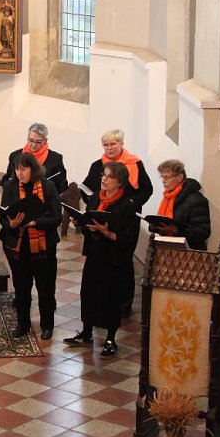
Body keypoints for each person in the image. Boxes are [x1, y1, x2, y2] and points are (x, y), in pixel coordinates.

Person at [63, 162, 138, 358]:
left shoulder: (126, 206)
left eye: (109, 176)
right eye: (103, 175)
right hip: (95, 254)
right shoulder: (96, 198)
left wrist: (108, 232)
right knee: (88, 293)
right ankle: (86, 332)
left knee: (110, 299)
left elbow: (129, 239)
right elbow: (90, 223)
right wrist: (81, 222)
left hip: (114, 260)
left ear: (120, 182)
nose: (103, 179)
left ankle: (111, 339)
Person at [82, 129, 152, 317]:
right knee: (100, 261)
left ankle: (124, 303)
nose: (110, 148)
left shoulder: (134, 163)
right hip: (102, 216)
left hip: (126, 218)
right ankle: (101, 300)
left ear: (121, 144)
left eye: (113, 144)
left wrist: (130, 203)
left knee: (123, 260)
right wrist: (92, 204)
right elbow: (87, 188)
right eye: (106, 145)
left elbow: (147, 189)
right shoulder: (98, 165)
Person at [0, 152, 62, 340]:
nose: (20, 173)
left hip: (43, 247)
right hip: (18, 246)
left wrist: (34, 223)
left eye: (23, 168)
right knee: (21, 288)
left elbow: (57, 217)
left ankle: (47, 325)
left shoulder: (47, 186)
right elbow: (3, 215)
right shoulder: (10, 187)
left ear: (33, 169)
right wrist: (11, 224)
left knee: (45, 288)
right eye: (17, 169)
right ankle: (23, 324)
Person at [152, 159, 211, 250]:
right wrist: (155, 225)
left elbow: (203, 231)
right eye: (162, 177)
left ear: (179, 177)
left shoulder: (196, 200)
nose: (163, 181)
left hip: (190, 255)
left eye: (167, 177)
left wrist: (176, 230)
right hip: (169, 251)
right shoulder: (168, 198)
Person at [3, 123, 68, 196]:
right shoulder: (15, 156)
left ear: (45, 141)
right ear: (27, 138)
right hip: (17, 199)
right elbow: (6, 180)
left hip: (43, 202)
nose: (34, 145)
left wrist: (48, 191)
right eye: (31, 140)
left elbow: (62, 185)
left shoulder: (55, 159)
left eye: (38, 142)